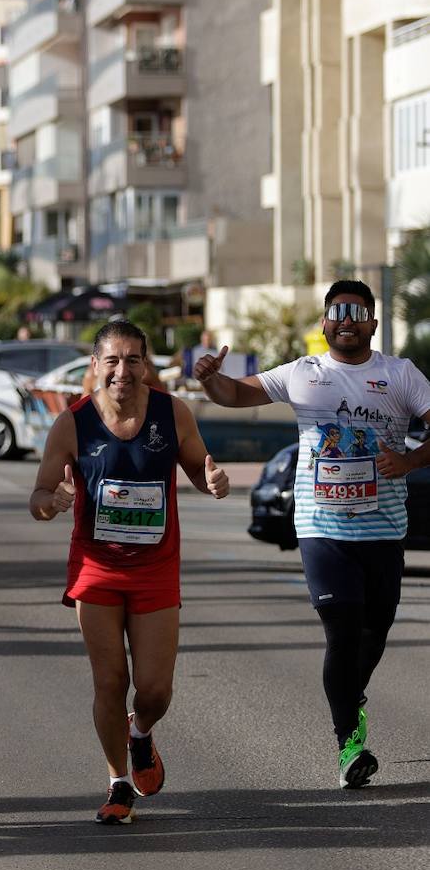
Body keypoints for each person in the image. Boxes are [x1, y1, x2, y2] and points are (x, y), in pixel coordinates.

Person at [195, 280, 430, 789]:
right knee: (342, 632)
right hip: (321, 526)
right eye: (337, 311)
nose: (346, 320)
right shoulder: (304, 374)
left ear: (372, 321)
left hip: (384, 529)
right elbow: (236, 394)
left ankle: (351, 698)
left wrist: (410, 460)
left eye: (357, 312)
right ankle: (349, 743)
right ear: (324, 323)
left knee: (374, 633)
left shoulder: (400, 375)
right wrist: (212, 380)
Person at [30, 319, 229, 826]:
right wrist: (53, 501)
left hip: (156, 568)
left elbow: (199, 471)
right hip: (96, 567)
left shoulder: (172, 412)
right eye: (112, 360)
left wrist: (212, 481)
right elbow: (38, 498)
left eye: (133, 360)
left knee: (155, 689)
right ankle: (118, 780)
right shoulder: (72, 422)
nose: (123, 370)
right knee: (109, 679)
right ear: (95, 366)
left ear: (147, 366)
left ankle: (140, 733)